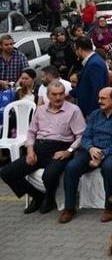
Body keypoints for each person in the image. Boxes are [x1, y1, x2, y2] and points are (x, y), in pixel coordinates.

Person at [0, 81, 85, 214]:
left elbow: (81, 135)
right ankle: (38, 196)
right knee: (7, 173)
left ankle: (50, 198)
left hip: (60, 150)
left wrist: (69, 151)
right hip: (38, 149)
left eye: (61, 94)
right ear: (48, 95)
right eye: (54, 94)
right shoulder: (40, 110)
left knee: (49, 175)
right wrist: (29, 150)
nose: (58, 97)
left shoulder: (73, 110)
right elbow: (31, 132)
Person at [59, 87, 112, 224]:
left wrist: (101, 155)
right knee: (71, 167)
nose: (99, 101)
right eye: (99, 98)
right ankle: (69, 208)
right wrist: (90, 149)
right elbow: (85, 137)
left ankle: (110, 207)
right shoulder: (94, 114)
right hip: (93, 150)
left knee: (109, 168)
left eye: (103, 98)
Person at [69, 37, 108, 116]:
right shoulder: (91, 61)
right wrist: (70, 93)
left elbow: (97, 90)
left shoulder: (94, 64)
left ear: (79, 49)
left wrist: (92, 114)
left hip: (92, 112)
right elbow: (85, 85)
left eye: (75, 50)